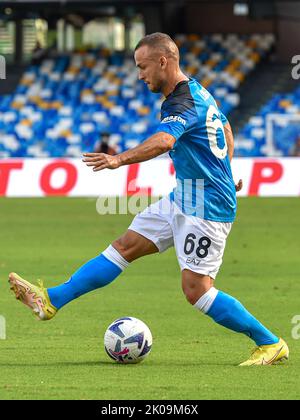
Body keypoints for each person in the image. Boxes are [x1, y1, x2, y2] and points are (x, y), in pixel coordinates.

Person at [9, 33, 288, 366]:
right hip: (186, 194)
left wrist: (118, 160)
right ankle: (51, 300)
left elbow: (165, 141)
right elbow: (225, 128)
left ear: (163, 62)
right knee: (124, 246)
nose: (140, 75)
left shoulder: (180, 102)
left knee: (196, 290)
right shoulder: (196, 90)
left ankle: (270, 342)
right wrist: (224, 168)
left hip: (207, 207)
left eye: (142, 67)